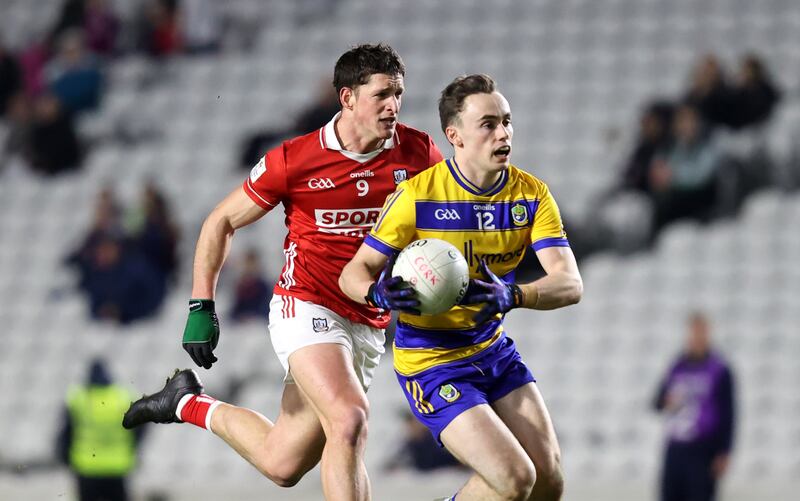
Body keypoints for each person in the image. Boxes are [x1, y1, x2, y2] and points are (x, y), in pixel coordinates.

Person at [122, 43, 443, 500]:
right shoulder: (295, 160)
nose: (393, 105)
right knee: (349, 419)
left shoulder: (416, 152)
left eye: (399, 94)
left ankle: (184, 401)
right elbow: (222, 221)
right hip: (306, 305)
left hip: (369, 319)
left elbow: (455, 212)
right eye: (381, 94)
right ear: (347, 98)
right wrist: (201, 304)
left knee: (282, 462)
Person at [339, 74, 583, 501]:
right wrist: (377, 293)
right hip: (432, 360)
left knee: (549, 481)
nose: (503, 133)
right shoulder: (417, 196)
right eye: (488, 124)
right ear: (455, 135)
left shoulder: (531, 196)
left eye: (507, 121)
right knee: (514, 478)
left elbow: (570, 282)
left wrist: (516, 295)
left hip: (492, 350)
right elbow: (353, 273)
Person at [653, 312, 736, 501]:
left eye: (701, 332)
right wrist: (668, 400)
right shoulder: (678, 366)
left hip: (703, 449)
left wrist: (725, 451)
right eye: (694, 332)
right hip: (676, 448)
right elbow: (657, 402)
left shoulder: (719, 369)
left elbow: (729, 413)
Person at [57, 358, 144, 501]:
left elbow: (66, 432)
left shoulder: (78, 398)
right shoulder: (123, 397)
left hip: (87, 467)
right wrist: (133, 448)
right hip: (118, 466)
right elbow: (141, 427)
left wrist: (64, 457)